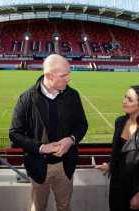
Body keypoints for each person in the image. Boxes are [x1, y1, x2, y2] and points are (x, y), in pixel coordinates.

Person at [9, 54, 88, 211]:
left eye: (68, 74)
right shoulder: (26, 98)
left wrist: (71, 140)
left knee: (64, 206)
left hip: (65, 166)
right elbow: (14, 133)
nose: (68, 79)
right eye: (64, 75)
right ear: (49, 76)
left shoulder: (72, 96)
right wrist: (41, 148)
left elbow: (82, 125)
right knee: (38, 207)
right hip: (38, 166)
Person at [96, 85, 139, 211]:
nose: (124, 101)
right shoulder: (119, 121)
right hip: (115, 185)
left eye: (130, 99)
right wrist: (110, 165)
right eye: (125, 97)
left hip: (134, 189)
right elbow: (118, 152)